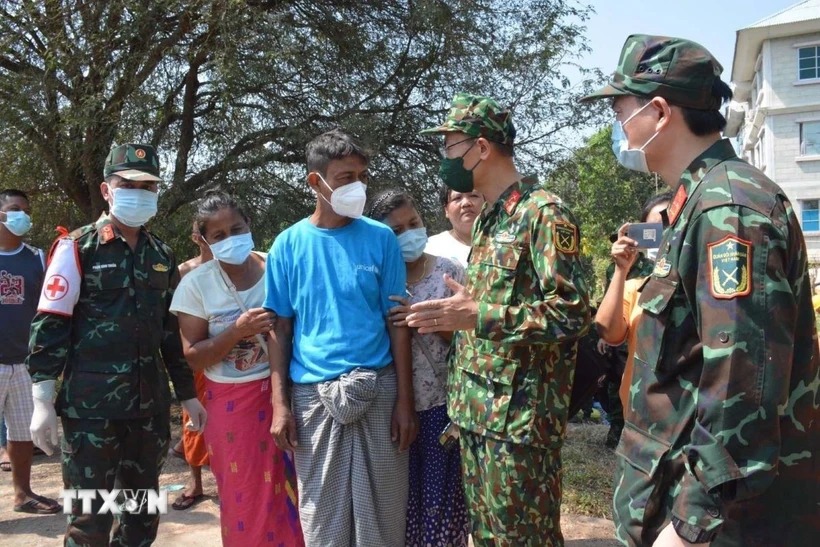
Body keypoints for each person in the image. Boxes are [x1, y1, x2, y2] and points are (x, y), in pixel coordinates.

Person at [582, 34, 820, 546]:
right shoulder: (694, 204)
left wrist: (690, 526)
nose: (618, 127)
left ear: (660, 111)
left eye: (621, 110)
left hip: (721, 525)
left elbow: (742, 384)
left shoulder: (727, 210)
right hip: (671, 498)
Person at [407, 93, 592, 546]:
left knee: (523, 537)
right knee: (489, 536)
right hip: (477, 414)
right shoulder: (491, 220)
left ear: (481, 148)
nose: (446, 158)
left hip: (520, 425)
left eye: (450, 146)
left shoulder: (543, 214)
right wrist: (472, 307)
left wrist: (480, 313)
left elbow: (572, 312)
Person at [27, 144, 206, 545]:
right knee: (90, 519)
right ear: (108, 190)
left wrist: (188, 394)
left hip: (148, 409)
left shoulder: (161, 254)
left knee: (142, 516)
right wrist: (41, 397)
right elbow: (51, 322)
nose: (139, 192)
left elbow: (170, 332)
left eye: (148, 185)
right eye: (128, 184)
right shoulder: (77, 247)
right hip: (92, 411)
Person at [266, 129, 418, 546]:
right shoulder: (287, 246)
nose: (358, 186)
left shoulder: (380, 238)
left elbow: (397, 321)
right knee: (324, 520)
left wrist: (405, 403)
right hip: (313, 396)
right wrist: (280, 405)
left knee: (384, 518)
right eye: (346, 176)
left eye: (362, 176)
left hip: (380, 388)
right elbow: (279, 327)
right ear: (316, 182)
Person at [170, 192, 303, 545]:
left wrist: (281, 402)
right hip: (232, 406)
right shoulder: (195, 285)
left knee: (298, 492)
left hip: (290, 392)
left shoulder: (277, 266)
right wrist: (237, 332)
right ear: (204, 241)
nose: (230, 239)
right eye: (219, 236)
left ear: (250, 226)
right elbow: (195, 356)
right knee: (243, 495)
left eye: (237, 228)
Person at [366, 188, 470, 547]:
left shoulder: (448, 272)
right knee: (402, 498)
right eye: (396, 230)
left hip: (445, 405)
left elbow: (468, 341)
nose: (408, 233)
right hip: (392, 407)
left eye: (414, 223)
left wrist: (424, 317)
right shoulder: (377, 278)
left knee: (442, 497)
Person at [0, 189, 62, 514]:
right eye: (13, 209)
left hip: (25, 364)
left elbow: (49, 309)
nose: (21, 215)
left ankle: (23, 495)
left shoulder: (38, 258)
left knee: (22, 434)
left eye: (25, 209)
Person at [594, 192, 672, 425]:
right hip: (641, 417)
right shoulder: (635, 287)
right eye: (656, 229)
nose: (666, 235)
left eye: (672, 224)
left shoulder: (703, 285)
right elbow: (609, 332)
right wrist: (621, 269)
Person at [169, 219, 214, 510]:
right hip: (195, 356)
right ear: (195, 236)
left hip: (235, 355)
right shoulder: (184, 272)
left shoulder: (243, 266)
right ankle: (195, 481)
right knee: (193, 420)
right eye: (206, 232)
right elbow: (173, 318)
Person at [425, 184, 484, 268]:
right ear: (446, 210)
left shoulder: (506, 243)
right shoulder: (431, 249)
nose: (466, 203)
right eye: (457, 198)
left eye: (473, 195)